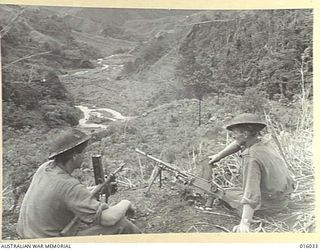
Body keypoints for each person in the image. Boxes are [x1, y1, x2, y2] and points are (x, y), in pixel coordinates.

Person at [17, 128, 141, 239]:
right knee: (122, 225)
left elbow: (66, 194)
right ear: (75, 156)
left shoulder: (45, 168)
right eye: (83, 152)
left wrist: (96, 188)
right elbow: (109, 219)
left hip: (28, 236)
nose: (85, 155)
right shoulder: (70, 186)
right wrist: (125, 202)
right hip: (49, 243)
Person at [202, 113, 294, 233]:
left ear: (245, 134)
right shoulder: (264, 142)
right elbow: (238, 143)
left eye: (234, 133)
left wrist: (244, 223)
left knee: (223, 193)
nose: (233, 136)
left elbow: (251, 195)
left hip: (270, 206)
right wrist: (219, 156)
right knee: (231, 191)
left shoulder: (251, 157)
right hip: (283, 198)